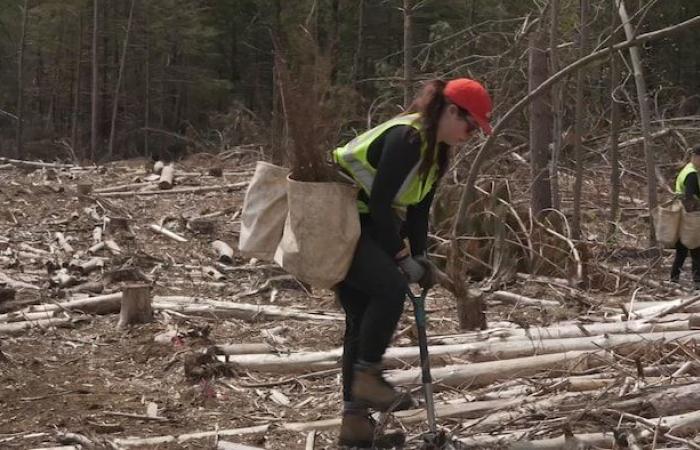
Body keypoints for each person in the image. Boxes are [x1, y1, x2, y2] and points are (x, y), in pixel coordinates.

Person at [331, 78, 493, 448]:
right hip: (341, 221)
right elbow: (380, 202)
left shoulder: (436, 151)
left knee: (361, 318)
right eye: (470, 124)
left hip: (366, 225)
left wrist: (422, 257)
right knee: (389, 291)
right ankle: (368, 378)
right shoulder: (408, 137)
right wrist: (400, 256)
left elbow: (418, 212)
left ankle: (354, 426)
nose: (471, 133)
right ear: (451, 111)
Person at [671, 144, 700, 286]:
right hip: (690, 216)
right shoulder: (692, 174)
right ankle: (697, 283)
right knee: (696, 249)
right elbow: (690, 198)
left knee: (682, 249)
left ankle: (673, 279)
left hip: (681, 213)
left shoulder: (688, 169)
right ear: (695, 157)